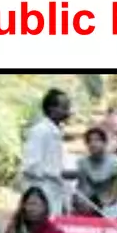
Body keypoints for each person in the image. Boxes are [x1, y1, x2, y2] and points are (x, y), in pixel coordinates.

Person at [18, 87, 72, 218]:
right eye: (64, 107)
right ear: (51, 109)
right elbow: (30, 166)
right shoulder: (40, 131)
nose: (68, 111)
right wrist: (58, 173)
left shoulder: (55, 132)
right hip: (41, 195)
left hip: (54, 194)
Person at [72, 125, 117, 214]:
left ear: (105, 143)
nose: (93, 144)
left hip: (108, 207)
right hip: (86, 206)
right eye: (89, 141)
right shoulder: (82, 162)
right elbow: (81, 189)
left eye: (97, 140)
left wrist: (104, 204)